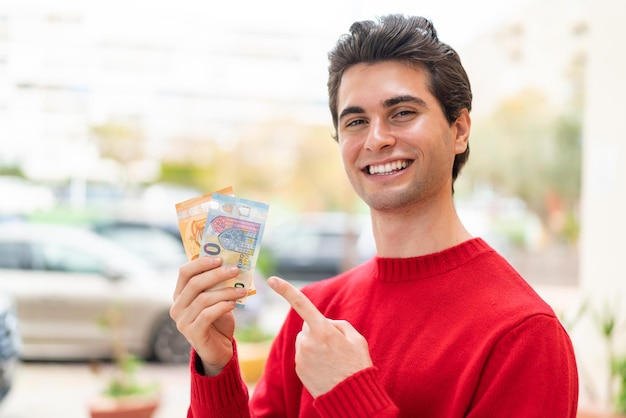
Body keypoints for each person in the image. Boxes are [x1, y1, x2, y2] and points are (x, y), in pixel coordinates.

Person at [170, 14, 579, 417]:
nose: (377, 139)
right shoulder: (313, 312)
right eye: (356, 121)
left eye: (402, 113)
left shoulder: (525, 333)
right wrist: (216, 365)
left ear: (459, 130)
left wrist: (350, 395)